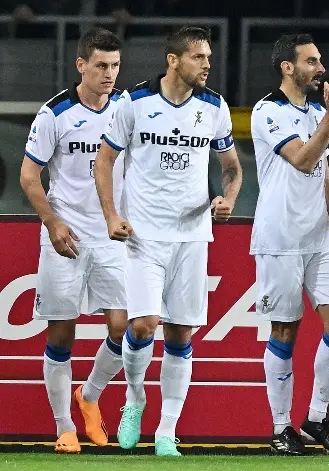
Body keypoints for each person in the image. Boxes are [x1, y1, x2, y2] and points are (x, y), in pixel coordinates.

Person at [94, 25, 243, 457]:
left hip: (193, 237)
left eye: (210, 57)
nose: (208, 65)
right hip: (144, 235)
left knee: (180, 335)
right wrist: (111, 215)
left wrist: (227, 196)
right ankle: (135, 399)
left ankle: (166, 431)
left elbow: (231, 166)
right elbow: (104, 161)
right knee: (142, 326)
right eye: (199, 57)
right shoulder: (134, 102)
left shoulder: (214, 107)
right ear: (173, 60)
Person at [250, 33, 329, 456]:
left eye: (320, 61)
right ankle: (282, 428)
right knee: (285, 330)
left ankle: (316, 417)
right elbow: (301, 159)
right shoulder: (268, 111)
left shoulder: (317, 111)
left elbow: (323, 177)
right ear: (288, 67)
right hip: (280, 238)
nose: (320, 69)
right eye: (312, 61)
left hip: (319, 239)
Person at [20, 26, 126, 454]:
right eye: (101, 65)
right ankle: (64, 426)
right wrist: (52, 222)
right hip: (66, 234)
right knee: (62, 333)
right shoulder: (55, 113)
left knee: (127, 326)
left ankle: (91, 395)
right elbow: (30, 176)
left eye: (115, 66)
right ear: (80, 64)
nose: (109, 74)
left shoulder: (126, 109)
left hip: (113, 235)